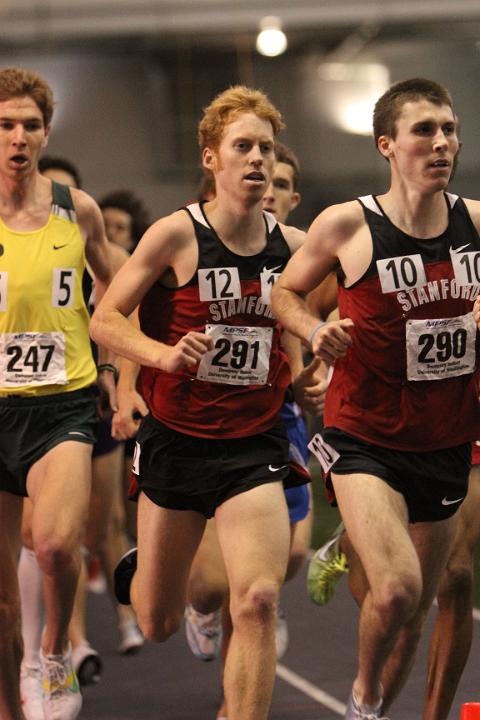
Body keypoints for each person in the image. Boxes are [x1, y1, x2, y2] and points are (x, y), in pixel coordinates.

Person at [90, 85, 320, 720]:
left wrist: (317, 357)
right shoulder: (175, 236)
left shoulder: (294, 248)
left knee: (258, 601)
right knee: (159, 620)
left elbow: (321, 312)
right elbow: (106, 320)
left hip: (256, 445)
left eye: (265, 150)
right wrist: (161, 358)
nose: (256, 161)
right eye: (241, 147)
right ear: (211, 158)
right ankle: (154, 577)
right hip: (176, 444)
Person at [271, 77, 480, 720]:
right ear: (387, 144)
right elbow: (282, 293)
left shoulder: (476, 220)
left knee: (423, 604)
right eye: (425, 130)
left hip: (444, 436)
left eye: (448, 128)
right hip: (363, 434)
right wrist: (314, 332)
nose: (441, 141)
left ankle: (392, 694)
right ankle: (364, 695)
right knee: (395, 591)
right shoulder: (348, 224)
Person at [184, 143, 323, 695]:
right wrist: (128, 386)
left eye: (282, 183)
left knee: (287, 558)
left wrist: (319, 374)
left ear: (292, 197)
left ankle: (259, 608)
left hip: (279, 421)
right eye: (264, 180)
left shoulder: (307, 253)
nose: (270, 192)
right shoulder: (201, 242)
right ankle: (202, 606)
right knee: (218, 585)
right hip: (209, 425)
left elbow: (343, 312)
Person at [0, 67, 113, 720]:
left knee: (54, 545)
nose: (18, 138)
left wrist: (131, 374)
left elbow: (122, 291)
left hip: (62, 404)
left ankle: (53, 652)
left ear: (47, 132)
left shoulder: (78, 208)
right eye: (6, 125)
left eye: (30, 126)